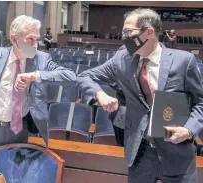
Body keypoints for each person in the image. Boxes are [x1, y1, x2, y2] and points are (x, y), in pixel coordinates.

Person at [77, 8, 203, 183]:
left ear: (149, 32)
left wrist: (189, 130)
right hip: (140, 152)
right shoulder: (122, 58)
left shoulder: (184, 61)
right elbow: (85, 76)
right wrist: (100, 94)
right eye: (123, 31)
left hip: (177, 153)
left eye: (129, 32)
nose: (124, 36)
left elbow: (201, 102)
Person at [0, 15, 76, 180]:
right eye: (30, 39)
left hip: (19, 130)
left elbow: (70, 76)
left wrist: (35, 75)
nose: (35, 45)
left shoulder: (41, 59)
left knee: (12, 177)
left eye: (36, 39)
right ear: (14, 39)